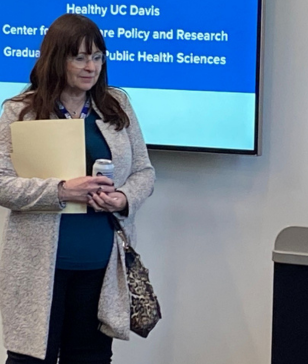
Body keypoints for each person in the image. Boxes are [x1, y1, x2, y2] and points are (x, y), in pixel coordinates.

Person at [0, 14, 155, 363]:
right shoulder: (20, 111)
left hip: (101, 267)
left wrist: (123, 197)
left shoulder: (116, 105)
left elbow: (145, 172)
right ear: (57, 59)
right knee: (29, 359)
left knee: (91, 358)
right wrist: (61, 191)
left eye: (98, 57)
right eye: (80, 57)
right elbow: (1, 183)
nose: (91, 67)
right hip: (39, 268)